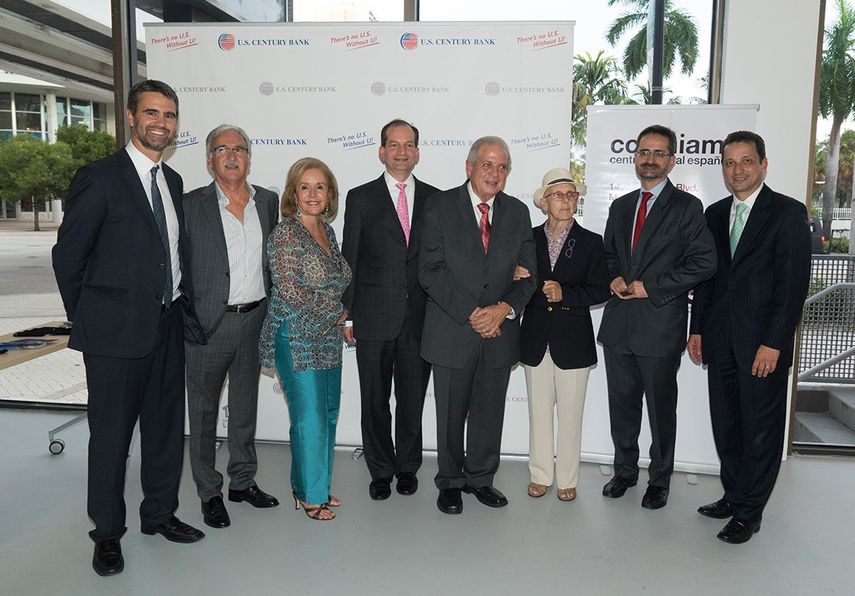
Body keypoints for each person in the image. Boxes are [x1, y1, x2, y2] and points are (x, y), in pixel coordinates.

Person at [52, 79, 206, 577]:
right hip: (114, 336)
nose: (161, 123)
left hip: (166, 325)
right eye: (152, 113)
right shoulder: (99, 178)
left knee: (164, 432)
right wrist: (92, 318)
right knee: (112, 438)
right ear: (131, 117)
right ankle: (107, 534)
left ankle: (159, 514)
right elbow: (68, 256)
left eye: (170, 115)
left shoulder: (173, 181)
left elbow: (170, 253)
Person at [688, 131, 811, 544]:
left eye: (746, 161)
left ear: (763, 164)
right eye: (729, 162)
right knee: (727, 426)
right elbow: (706, 280)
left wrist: (774, 342)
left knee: (760, 429)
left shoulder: (788, 213)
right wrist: (698, 330)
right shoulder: (715, 213)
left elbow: (792, 286)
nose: (737, 170)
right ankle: (734, 494)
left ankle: (749, 512)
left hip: (763, 346)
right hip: (719, 342)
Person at [597, 124, 716, 510]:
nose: (650, 159)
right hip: (619, 327)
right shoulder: (621, 205)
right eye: (644, 151)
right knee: (622, 406)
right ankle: (625, 472)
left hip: (660, 323)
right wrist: (613, 276)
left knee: (661, 410)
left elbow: (704, 263)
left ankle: (660, 479)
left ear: (672, 160)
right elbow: (610, 255)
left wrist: (653, 286)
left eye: (659, 153)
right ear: (635, 157)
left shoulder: (686, 208)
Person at [419, 136, 537, 515]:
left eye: (502, 166)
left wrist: (503, 308)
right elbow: (429, 271)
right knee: (451, 413)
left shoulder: (518, 212)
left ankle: (481, 479)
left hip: (500, 332)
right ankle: (451, 481)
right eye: (487, 164)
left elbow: (529, 276)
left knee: (489, 411)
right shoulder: (438, 207)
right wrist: (473, 313)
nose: (494, 172)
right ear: (469, 167)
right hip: (454, 329)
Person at [183, 124, 280, 530]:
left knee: (244, 408)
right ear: (209, 160)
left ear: (249, 157)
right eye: (222, 149)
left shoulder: (270, 202)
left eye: (239, 148)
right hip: (209, 324)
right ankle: (210, 492)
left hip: (255, 319)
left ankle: (243, 481)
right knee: (203, 414)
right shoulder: (189, 204)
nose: (232, 155)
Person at [341, 119, 440, 500]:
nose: (402, 151)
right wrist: (347, 313)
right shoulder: (360, 197)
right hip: (372, 316)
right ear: (381, 152)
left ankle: (407, 467)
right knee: (375, 400)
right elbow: (350, 258)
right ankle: (380, 470)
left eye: (409, 144)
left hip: (420, 319)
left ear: (417, 152)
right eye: (394, 145)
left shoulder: (436, 199)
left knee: (412, 400)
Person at [258, 157, 352, 521]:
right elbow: (290, 290)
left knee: (327, 414)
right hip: (295, 335)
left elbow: (335, 281)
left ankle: (313, 485)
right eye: (305, 187)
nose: (313, 194)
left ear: (330, 195)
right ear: (293, 194)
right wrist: (336, 314)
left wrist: (336, 316)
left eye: (320, 187)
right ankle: (312, 497)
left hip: (327, 338)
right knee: (309, 417)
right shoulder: (285, 233)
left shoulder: (326, 232)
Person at [519, 168, 610, 502]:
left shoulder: (591, 242)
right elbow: (514, 286)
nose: (567, 200)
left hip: (573, 340)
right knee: (539, 414)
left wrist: (566, 294)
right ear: (544, 202)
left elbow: (601, 289)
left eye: (572, 194)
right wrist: (516, 277)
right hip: (534, 339)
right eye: (559, 194)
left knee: (571, 416)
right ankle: (540, 475)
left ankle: (568, 478)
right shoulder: (525, 239)